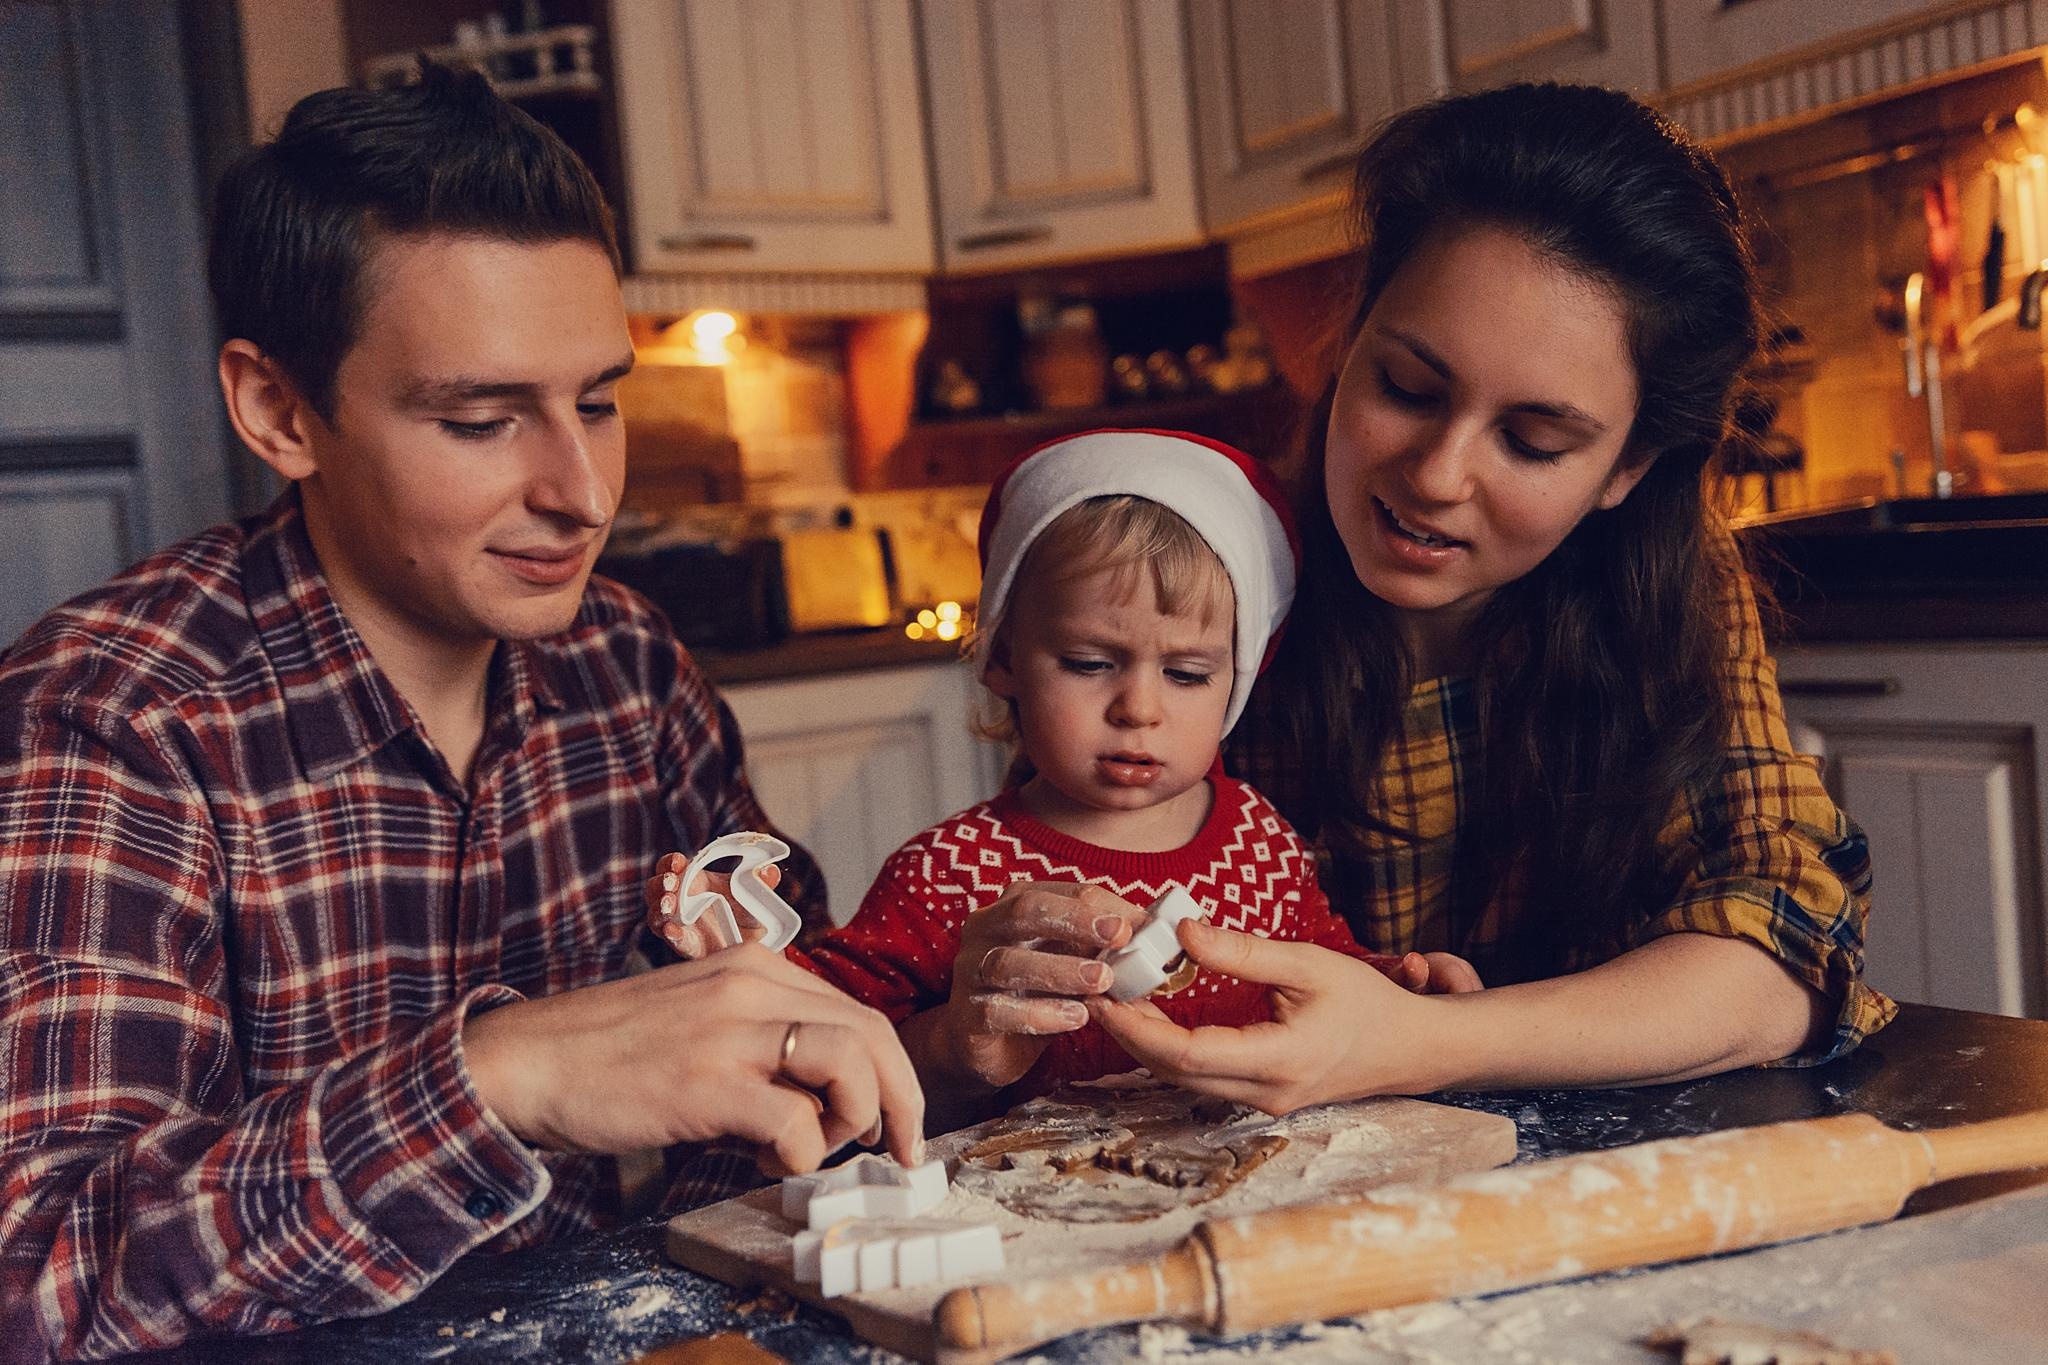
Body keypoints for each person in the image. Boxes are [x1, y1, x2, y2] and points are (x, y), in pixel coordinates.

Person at [0, 66, 921, 1360]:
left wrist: (933, 1019)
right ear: (280, 412)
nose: (585, 493)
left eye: (600, 401)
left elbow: (776, 1018)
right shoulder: (116, 722)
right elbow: (35, 1274)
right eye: (484, 421)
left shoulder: (628, 662)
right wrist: (503, 1077)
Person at [1077, 83, 1895, 1116]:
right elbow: (1058, 875)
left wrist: (1424, 1042)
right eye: (1407, 389)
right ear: (1350, 337)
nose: (1435, 473)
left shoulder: (1673, 594)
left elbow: (1776, 960)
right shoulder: (1202, 576)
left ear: (1624, 468)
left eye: (1532, 442)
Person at [650, 430, 1478, 1130]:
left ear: (1242, 678)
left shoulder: (1261, 838)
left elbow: (1327, 969)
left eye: (1188, 674)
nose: (1138, 708)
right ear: (1003, 655)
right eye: (1088, 662)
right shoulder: (947, 872)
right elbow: (833, 1047)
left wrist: (1400, 987)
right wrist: (745, 954)